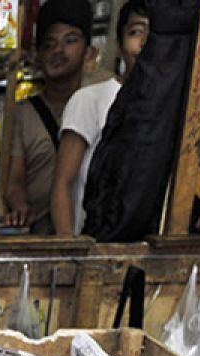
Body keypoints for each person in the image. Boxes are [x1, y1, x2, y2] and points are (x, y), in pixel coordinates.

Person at [51, 0, 149, 235]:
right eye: (136, 32)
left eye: (154, 33)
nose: (145, 42)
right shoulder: (90, 100)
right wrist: (69, 252)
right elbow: (62, 184)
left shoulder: (168, 108)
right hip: (91, 246)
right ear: (120, 45)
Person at [1, 0, 95, 232]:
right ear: (37, 56)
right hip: (42, 228)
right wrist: (20, 206)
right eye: (49, 44)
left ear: (89, 52)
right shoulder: (23, 113)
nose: (58, 51)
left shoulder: (99, 104)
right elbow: (14, 181)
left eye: (70, 40)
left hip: (91, 227)